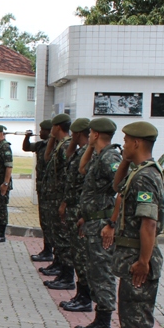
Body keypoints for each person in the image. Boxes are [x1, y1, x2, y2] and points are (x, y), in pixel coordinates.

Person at [98, 122, 164, 328]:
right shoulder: (137, 171)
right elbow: (117, 187)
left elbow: (149, 223)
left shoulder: (147, 176)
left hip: (140, 257)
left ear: (137, 143)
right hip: (131, 256)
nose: (122, 144)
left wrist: (143, 262)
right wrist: (126, 161)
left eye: (126, 141)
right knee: (128, 310)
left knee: (138, 312)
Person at [74, 117, 121, 328]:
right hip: (93, 222)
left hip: (103, 226)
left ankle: (104, 326)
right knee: (95, 272)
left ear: (94, 133)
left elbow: (123, 189)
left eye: (91, 133)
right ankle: (98, 322)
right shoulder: (99, 155)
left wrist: (111, 223)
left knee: (103, 274)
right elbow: (82, 169)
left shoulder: (111, 157)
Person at [57, 118, 92, 305]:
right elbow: (68, 159)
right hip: (73, 208)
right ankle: (81, 294)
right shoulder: (80, 152)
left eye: (74, 134)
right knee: (76, 253)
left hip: (80, 210)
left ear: (78, 133)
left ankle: (85, 297)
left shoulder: (89, 154)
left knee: (81, 255)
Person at [40, 114, 72, 283]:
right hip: (53, 197)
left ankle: (66, 274)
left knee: (62, 236)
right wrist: (52, 139)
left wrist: (65, 202)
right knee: (57, 234)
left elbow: (68, 176)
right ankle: (58, 264)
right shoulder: (59, 144)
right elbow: (46, 158)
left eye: (52, 127)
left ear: (58, 127)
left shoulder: (67, 145)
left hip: (60, 198)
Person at [24, 120, 53, 261]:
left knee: (50, 222)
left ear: (49, 131)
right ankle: (47, 250)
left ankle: (50, 252)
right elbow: (27, 147)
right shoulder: (41, 145)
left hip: (51, 191)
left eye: (42, 130)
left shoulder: (53, 146)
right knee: (44, 221)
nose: (40, 133)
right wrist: (27, 137)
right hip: (43, 188)